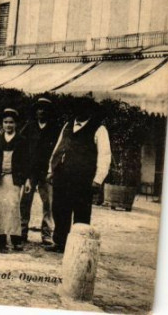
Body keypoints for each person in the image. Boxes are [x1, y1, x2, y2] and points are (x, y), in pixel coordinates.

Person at [47, 98, 111, 253]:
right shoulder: (67, 126)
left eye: (83, 109)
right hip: (62, 177)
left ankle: (78, 246)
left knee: (81, 212)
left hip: (83, 179)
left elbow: (105, 155)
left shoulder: (99, 129)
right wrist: (51, 169)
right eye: (76, 108)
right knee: (60, 209)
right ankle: (60, 243)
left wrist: (97, 180)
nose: (79, 112)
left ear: (89, 111)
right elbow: (58, 148)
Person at [0, 108, 31, 251]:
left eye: (11, 122)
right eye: (5, 122)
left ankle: (16, 240)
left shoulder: (22, 140)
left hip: (14, 179)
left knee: (13, 207)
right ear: (2, 124)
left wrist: (27, 180)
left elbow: (26, 161)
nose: (8, 125)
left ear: (16, 124)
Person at [20, 97, 61, 246]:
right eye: (38, 108)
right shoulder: (29, 127)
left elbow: (59, 152)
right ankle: (22, 231)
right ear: (35, 111)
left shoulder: (56, 129)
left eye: (44, 108)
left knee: (48, 203)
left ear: (49, 112)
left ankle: (46, 234)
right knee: (25, 202)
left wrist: (53, 170)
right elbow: (21, 148)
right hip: (30, 172)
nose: (41, 111)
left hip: (47, 172)